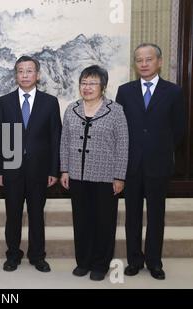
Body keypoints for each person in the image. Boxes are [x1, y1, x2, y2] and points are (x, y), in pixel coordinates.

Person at [116, 43, 186, 280]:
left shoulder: (174, 92)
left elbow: (179, 129)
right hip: (131, 164)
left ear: (159, 61)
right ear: (134, 64)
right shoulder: (125, 91)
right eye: (139, 60)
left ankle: (154, 261)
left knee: (156, 215)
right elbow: (120, 128)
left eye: (148, 59)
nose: (143, 64)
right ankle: (134, 260)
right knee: (132, 215)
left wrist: (159, 148)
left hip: (159, 164)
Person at [0, 56, 61, 273]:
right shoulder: (4, 102)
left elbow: (55, 138)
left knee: (36, 215)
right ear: (16, 75)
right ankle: (13, 255)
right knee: (12, 214)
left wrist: (54, 170)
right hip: (11, 170)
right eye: (20, 71)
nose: (25, 75)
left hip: (39, 171)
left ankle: (37, 256)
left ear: (37, 75)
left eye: (29, 71)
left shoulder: (50, 102)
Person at [60, 65, 129, 281]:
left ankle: (100, 264)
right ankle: (83, 262)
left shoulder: (115, 110)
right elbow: (64, 142)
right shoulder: (72, 109)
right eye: (84, 83)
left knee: (104, 222)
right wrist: (64, 169)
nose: (87, 87)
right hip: (77, 177)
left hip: (105, 177)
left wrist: (119, 176)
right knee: (81, 220)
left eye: (92, 83)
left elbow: (123, 144)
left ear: (103, 86)